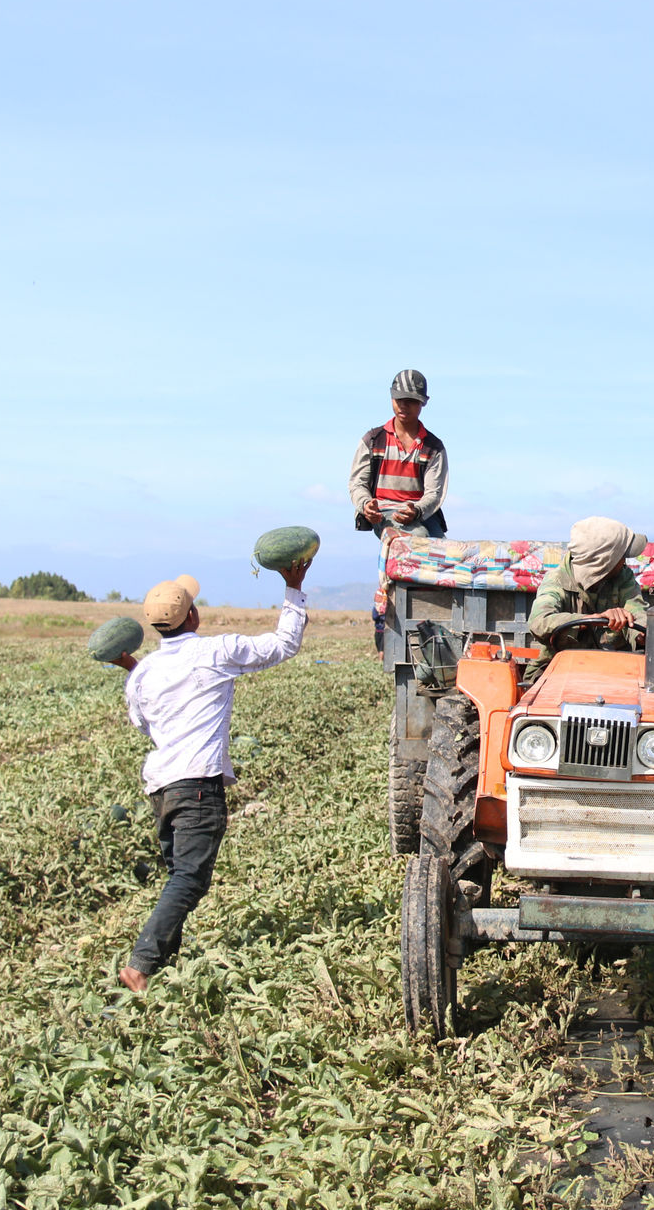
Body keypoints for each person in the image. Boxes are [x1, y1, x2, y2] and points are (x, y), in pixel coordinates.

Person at [105, 557, 311, 992]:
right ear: (192, 616)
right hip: (198, 785)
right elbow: (283, 644)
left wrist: (135, 671)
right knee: (189, 879)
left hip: (161, 787)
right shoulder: (214, 652)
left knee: (178, 875)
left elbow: (143, 724)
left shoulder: (142, 675)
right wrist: (293, 587)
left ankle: (162, 969)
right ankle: (140, 965)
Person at [349, 370, 449, 652]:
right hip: (383, 512)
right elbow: (356, 482)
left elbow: (434, 493)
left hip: (419, 512)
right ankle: (383, 616)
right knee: (413, 542)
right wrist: (364, 504)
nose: (404, 406)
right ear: (392, 399)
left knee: (447, 556)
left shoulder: (433, 447)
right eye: (399, 400)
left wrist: (416, 509)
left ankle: (435, 626)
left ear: (422, 404)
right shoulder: (374, 439)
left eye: (411, 401)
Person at [524, 517, 649, 684]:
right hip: (558, 670)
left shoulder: (623, 577)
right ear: (605, 561)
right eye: (621, 556)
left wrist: (643, 634)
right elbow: (539, 621)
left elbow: (637, 611)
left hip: (616, 670)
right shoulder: (556, 581)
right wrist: (592, 620)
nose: (625, 561)